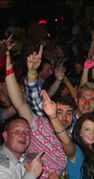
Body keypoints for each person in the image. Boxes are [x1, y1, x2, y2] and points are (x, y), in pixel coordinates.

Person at [5, 47, 66, 178]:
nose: (64, 116)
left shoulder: (71, 139)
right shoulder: (41, 125)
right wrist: (10, 67)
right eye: (60, 111)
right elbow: (19, 103)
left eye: (69, 113)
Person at [41, 90, 94, 179]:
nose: (92, 133)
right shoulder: (75, 151)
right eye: (87, 129)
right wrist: (53, 116)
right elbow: (66, 141)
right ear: (79, 132)